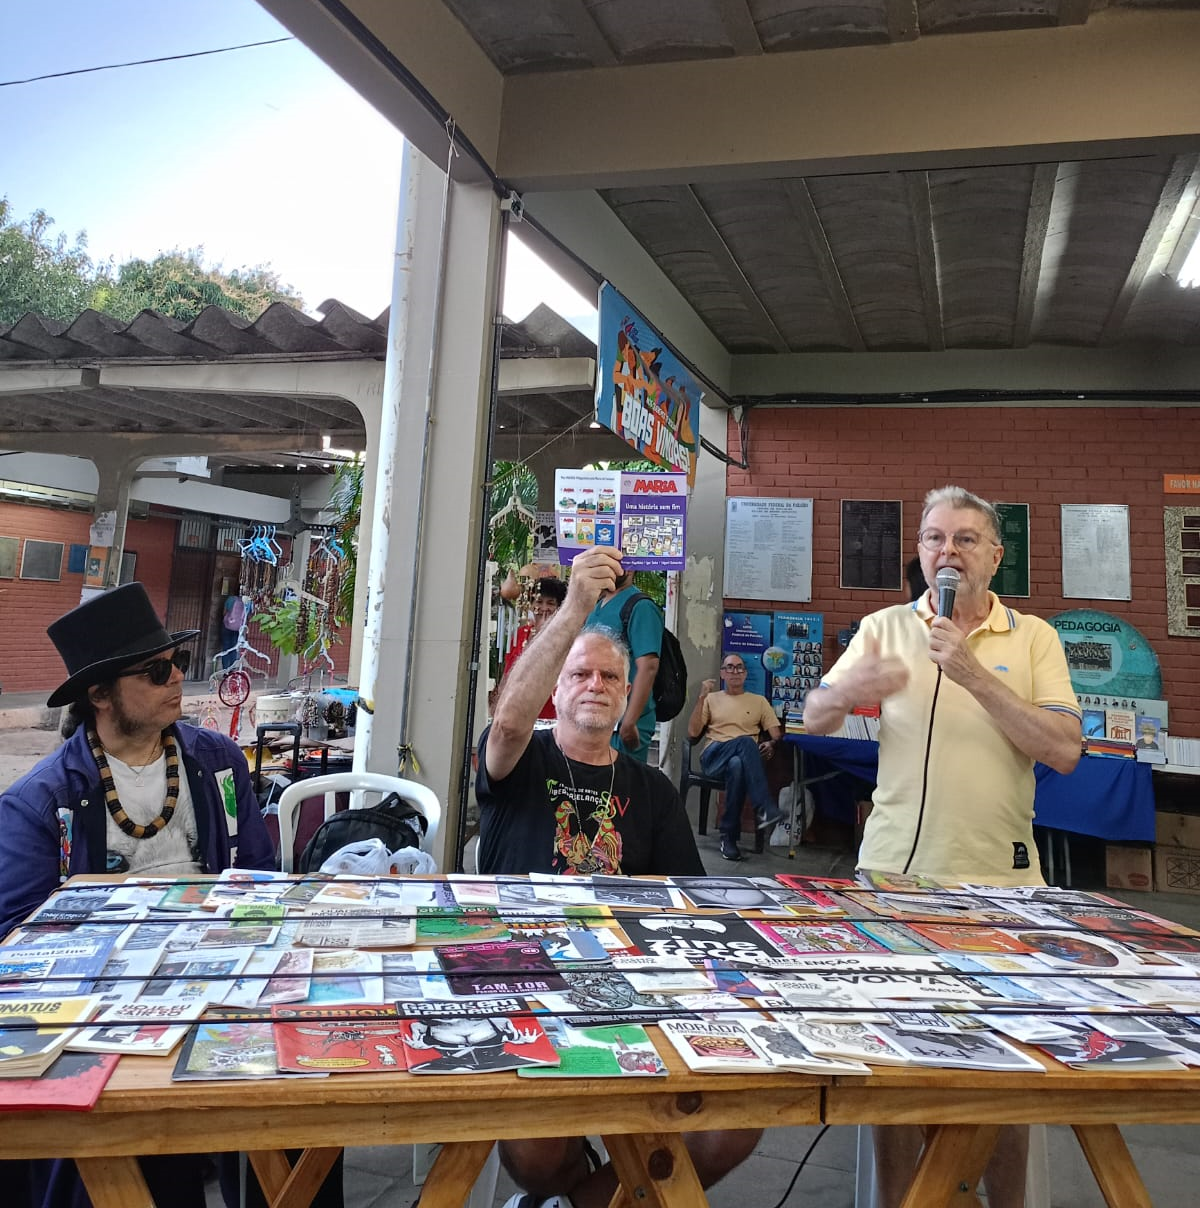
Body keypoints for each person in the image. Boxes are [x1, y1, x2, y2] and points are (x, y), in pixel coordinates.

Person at [803, 485, 1082, 1208]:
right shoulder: (884, 627)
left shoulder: (1034, 638)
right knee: (896, 1071)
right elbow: (814, 717)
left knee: (1007, 1072)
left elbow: (1063, 750)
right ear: (920, 552)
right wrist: (842, 693)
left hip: (1001, 886)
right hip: (891, 881)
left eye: (964, 538)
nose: (946, 551)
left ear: (994, 555)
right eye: (933, 538)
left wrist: (971, 674)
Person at [476, 546, 760, 1208]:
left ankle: (582, 1203)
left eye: (611, 676)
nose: (596, 685)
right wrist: (577, 603)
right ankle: (589, 1192)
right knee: (535, 1151)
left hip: (632, 990)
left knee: (736, 1125)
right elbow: (510, 720)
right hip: (526, 977)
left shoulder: (652, 790)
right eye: (579, 674)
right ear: (555, 687)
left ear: (628, 689)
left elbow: (691, 905)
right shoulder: (520, 758)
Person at [0, 582, 280, 1208]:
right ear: (99, 695)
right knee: (98, 1142)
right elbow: (18, 938)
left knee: (300, 1103)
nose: (177, 677)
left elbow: (260, 872)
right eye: (155, 671)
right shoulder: (41, 800)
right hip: (107, 1007)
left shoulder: (218, 761)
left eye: (177, 661)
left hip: (225, 980)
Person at [686, 654, 784, 862]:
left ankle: (728, 838)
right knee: (746, 742)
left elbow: (776, 734)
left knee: (737, 764)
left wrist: (771, 744)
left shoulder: (759, 701)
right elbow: (693, 733)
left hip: (740, 762)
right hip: (714, 757)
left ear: (745, 674)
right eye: (729, 667)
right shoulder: (711, 698)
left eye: (739, 668)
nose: (735, 672)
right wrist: (702, 697)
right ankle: (763, 806)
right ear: (722, 673)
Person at [586, 563, 662, 762]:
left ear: (630, 569)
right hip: (598, 715)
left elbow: (649, 666)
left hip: (625, 723)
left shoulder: (641, 607)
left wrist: (629, 721)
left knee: (621, 778)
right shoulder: (597, 607)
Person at [498, 576, 567, 720]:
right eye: (539, 602)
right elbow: (507, 673)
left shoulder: (565, 639)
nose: (544, 608)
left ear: (559, 608)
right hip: (515, 712)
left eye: (550, 603)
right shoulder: (520, 634)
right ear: (531, 605)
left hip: (549, 716)